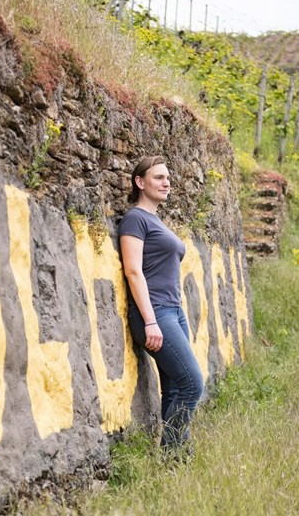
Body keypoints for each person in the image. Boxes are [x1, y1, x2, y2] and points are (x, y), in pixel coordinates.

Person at [118, 156, 204, 456]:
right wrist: (151, 321)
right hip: (154, 313)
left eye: (167, 177)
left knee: (176, 388)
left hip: (173, 311)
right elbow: (133, 271)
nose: (166, 182)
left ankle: (177, 458)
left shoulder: (156, 221)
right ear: (140, 182)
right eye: (158, 177)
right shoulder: (135, 219)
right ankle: (171, 454)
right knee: (193, 383)